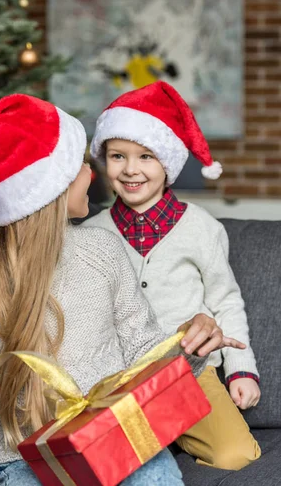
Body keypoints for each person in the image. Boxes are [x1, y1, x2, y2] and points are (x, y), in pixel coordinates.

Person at [0, 94, 244, 486]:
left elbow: (143, 353)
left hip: (120, 440)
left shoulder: (102, 251)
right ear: (51, 190)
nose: (95, 173)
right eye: (81, 167)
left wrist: (187, 347)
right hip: (27, 460)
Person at [85, 80, 261, 470]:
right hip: (122, 379)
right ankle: (163, 443)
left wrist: (241, 369)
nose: (131, 169)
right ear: (103, 160)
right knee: (106, 463)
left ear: (168, 162)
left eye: (146, 156)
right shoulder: (91, 235)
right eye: (117, 156)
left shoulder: (202, 228)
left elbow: (226, 300)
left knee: (236, 456)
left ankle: (175, 435)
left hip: (192, 373)